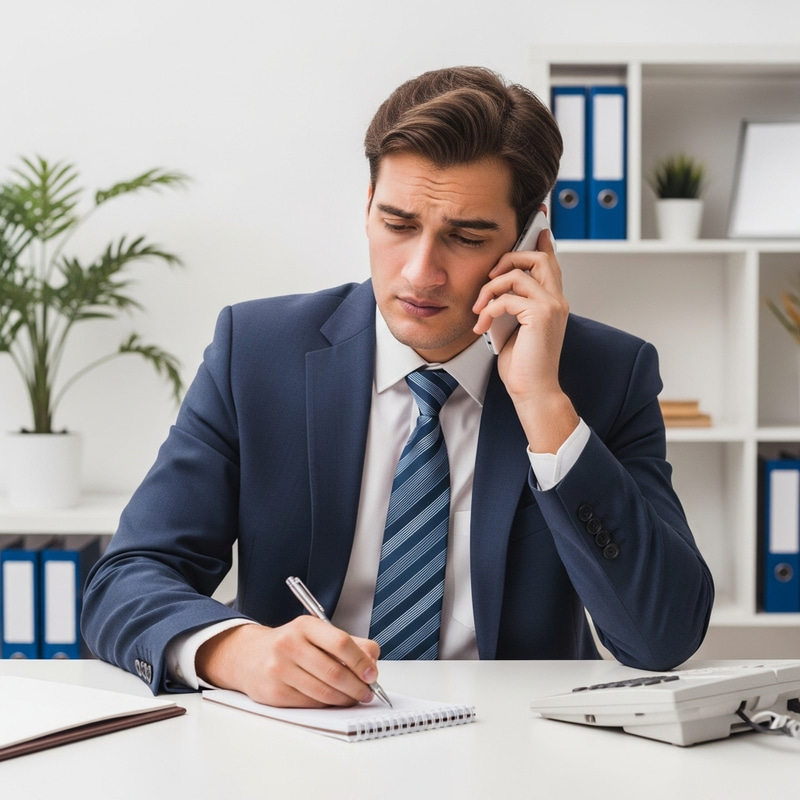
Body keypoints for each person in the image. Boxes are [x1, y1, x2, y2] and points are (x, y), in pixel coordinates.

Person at [81, 66, 714, 707]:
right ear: (367, 208)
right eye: (398, 223)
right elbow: (127, 579)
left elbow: (660, 638)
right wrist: (237, 651)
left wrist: (543, 405)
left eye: (466, 236)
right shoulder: (258, 351)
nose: (421, 272)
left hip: (511, 748)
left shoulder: (605, 375)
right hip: (297, 740)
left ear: (531, 240)